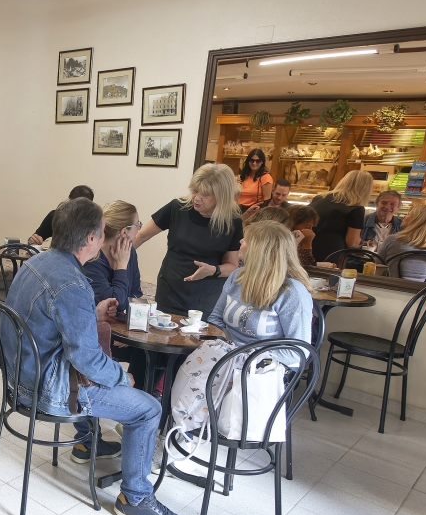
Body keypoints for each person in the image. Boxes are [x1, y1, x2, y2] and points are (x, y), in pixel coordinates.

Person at [0, 198, 189, 515]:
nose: (104, 237)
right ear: (90, 238)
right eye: (102, 232)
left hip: (19, 376)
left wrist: (92, 314)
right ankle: (136, 498)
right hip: (47, 389)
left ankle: (92, 445)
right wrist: (122, 378)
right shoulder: (72, 282)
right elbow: (85, 359)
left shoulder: (37, 262)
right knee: (148, 408)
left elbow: (51, 319)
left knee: (113, 376)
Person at [77, 200, 147, 463]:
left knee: (148, 355)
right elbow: (115, 302)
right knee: (88, 367)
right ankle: (86, 441)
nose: (139, 229)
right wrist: (120, 268)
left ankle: (134, 421)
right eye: (137, 225)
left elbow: (135, 295)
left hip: (122, 329)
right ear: (124, 232)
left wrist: (130, 319)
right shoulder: (94, 261)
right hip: (96, 333)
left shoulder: (131, 254)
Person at [134, 163, 243, 318]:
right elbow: (141, 236)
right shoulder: (177, 208)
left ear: (222, 195)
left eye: (205, 194)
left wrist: (212, 270)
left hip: (206, 296)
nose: (197, 198)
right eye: (195, 190)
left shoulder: (232, 222)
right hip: (170, 288)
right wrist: (117, 261)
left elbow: (232, 266)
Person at [208, 221, 314, 365]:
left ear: (259, 249)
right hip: (227, 357)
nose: (240, 241)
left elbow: (298, 351)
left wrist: (243, 357)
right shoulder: (237, 276)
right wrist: (225, 350)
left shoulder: (293, 292)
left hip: (264, 367)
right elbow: (215, 318)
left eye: (246, 239)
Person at [308, 169, 373, 263]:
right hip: (332, 253)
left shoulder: (319, 198)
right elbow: (352, 242)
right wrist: (361, 241)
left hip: (308, 245)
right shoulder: (356, 209)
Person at [378, 204, 426, 282]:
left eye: (408, 214)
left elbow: (377, 264)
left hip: (394, 287)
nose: (404, 216)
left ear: (417, 220)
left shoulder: (392, 240)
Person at [29, 185, 94, 245]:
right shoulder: (55, 216)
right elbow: (33, 241)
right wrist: (33, 240)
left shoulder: (94, 223)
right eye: (72, 206)